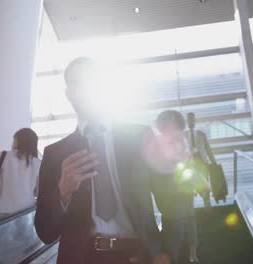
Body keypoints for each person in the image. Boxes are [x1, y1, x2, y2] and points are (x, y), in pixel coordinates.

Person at [34, 57, 170, 264]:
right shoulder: (55, 154)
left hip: (138, 255)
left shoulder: (140, 137)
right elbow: (46, 233)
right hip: (80, 257)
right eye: (80, 83)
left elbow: (170, 199)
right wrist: (62, 192)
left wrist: (164, 251)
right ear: (69, 94)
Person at [146, 110, 199, 264]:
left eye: (175, 123)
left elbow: (187, 159)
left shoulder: (182, 139)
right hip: (169, 192)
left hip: (184, 186)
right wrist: (179, 158)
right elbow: (158, 165)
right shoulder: (158, 141)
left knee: (190, 217)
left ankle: (192, 254)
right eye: (171, 122)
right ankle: (173, 257)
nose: (173, 126)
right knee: (174, 227)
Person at [0, 128, 41, 219]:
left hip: (1, 212)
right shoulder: (38, 163)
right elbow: (39, 192)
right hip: (27, 214)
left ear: (17, 140)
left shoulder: (1, 156)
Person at [184, 112, 216, 209]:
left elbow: (208, 149)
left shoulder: (202, 134)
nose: (191, 121)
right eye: (189, 119)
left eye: (192, 119)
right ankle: (190, 208)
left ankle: (207, 205)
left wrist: (213, 162)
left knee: (205, 184)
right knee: (190, 186)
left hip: (202, 163)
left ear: (195, 120)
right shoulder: (183, 135)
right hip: (189, 164)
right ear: (187, 121)